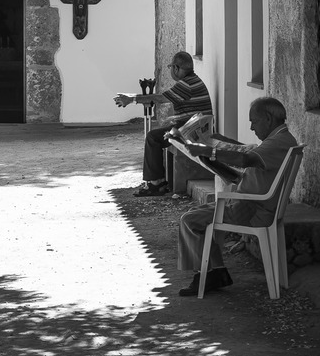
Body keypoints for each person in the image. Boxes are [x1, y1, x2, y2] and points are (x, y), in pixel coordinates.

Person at [174, 96, 298, 296]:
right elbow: (254, 167)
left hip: (251, 210)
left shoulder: (277, 142)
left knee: (190, 220)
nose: (251, 127)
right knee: (198, 215)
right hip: (251, 205)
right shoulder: (282, 139)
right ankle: (216, 272)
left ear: (268, 118)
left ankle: (208, 275)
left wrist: (209, 151)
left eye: (253, 121)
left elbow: (245, 159)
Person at [114, 51, 213, 196]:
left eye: (171, 67)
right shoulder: (193, 80)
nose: (171, 71)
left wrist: (132, 99)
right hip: (194, 126)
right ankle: (157, 180)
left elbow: (160, 98)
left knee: (153, 137)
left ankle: (155, 183)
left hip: (193, 130)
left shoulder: (186, 84)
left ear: (176, 68)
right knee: (159, 134)